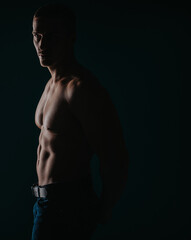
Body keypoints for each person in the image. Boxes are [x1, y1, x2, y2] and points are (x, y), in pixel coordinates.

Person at [30, 3, 129, 240]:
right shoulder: (51, 84)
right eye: (37, 36)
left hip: (67, 207)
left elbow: (114, 157)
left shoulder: (80, 89)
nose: (42, 45)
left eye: (52, 37)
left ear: (71, 38)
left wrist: (104, 210)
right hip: (45, 205)